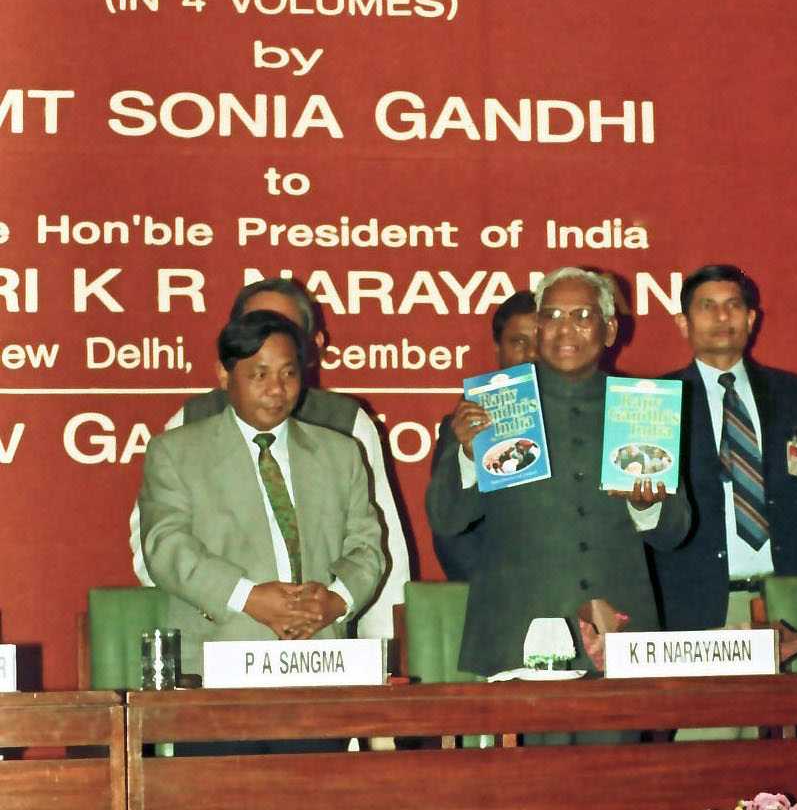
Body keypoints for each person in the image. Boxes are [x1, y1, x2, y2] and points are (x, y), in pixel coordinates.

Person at [426, 267, 689, 676]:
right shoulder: (489, 408)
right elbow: (446, 519)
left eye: (582, 316)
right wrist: (468, 455)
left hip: (620, 636)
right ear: (537, 329)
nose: (565, 329)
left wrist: (646, 507)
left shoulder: (641, 409)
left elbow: (674, 534)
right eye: (551, 316)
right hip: (515, 635)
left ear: (609, 330)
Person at [129, 276, 409, 642]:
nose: (276, 389)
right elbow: (161, 547)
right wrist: (244, 597)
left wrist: (338, 600)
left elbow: (372, 549)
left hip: (322, 651)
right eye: (260, 373)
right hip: (222, 646)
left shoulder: (342, 447)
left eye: (287, 372)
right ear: (226, 371)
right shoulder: (178, 443)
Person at [649, 264, 797, 632]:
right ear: (683, 323)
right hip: (698, 608)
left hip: (794, 602)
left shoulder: (795, 394)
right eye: (707, 306)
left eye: (733, 305)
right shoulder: (658, 402)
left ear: (751, 319)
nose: (722, 316)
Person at [429, 289, 538, 582]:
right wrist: (494, 589)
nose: (532, 354)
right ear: (497, 348)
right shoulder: (466, 424)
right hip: (498, 592)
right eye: (519, 342)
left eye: (541, 341)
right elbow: (450, 535)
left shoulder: (588, 411)